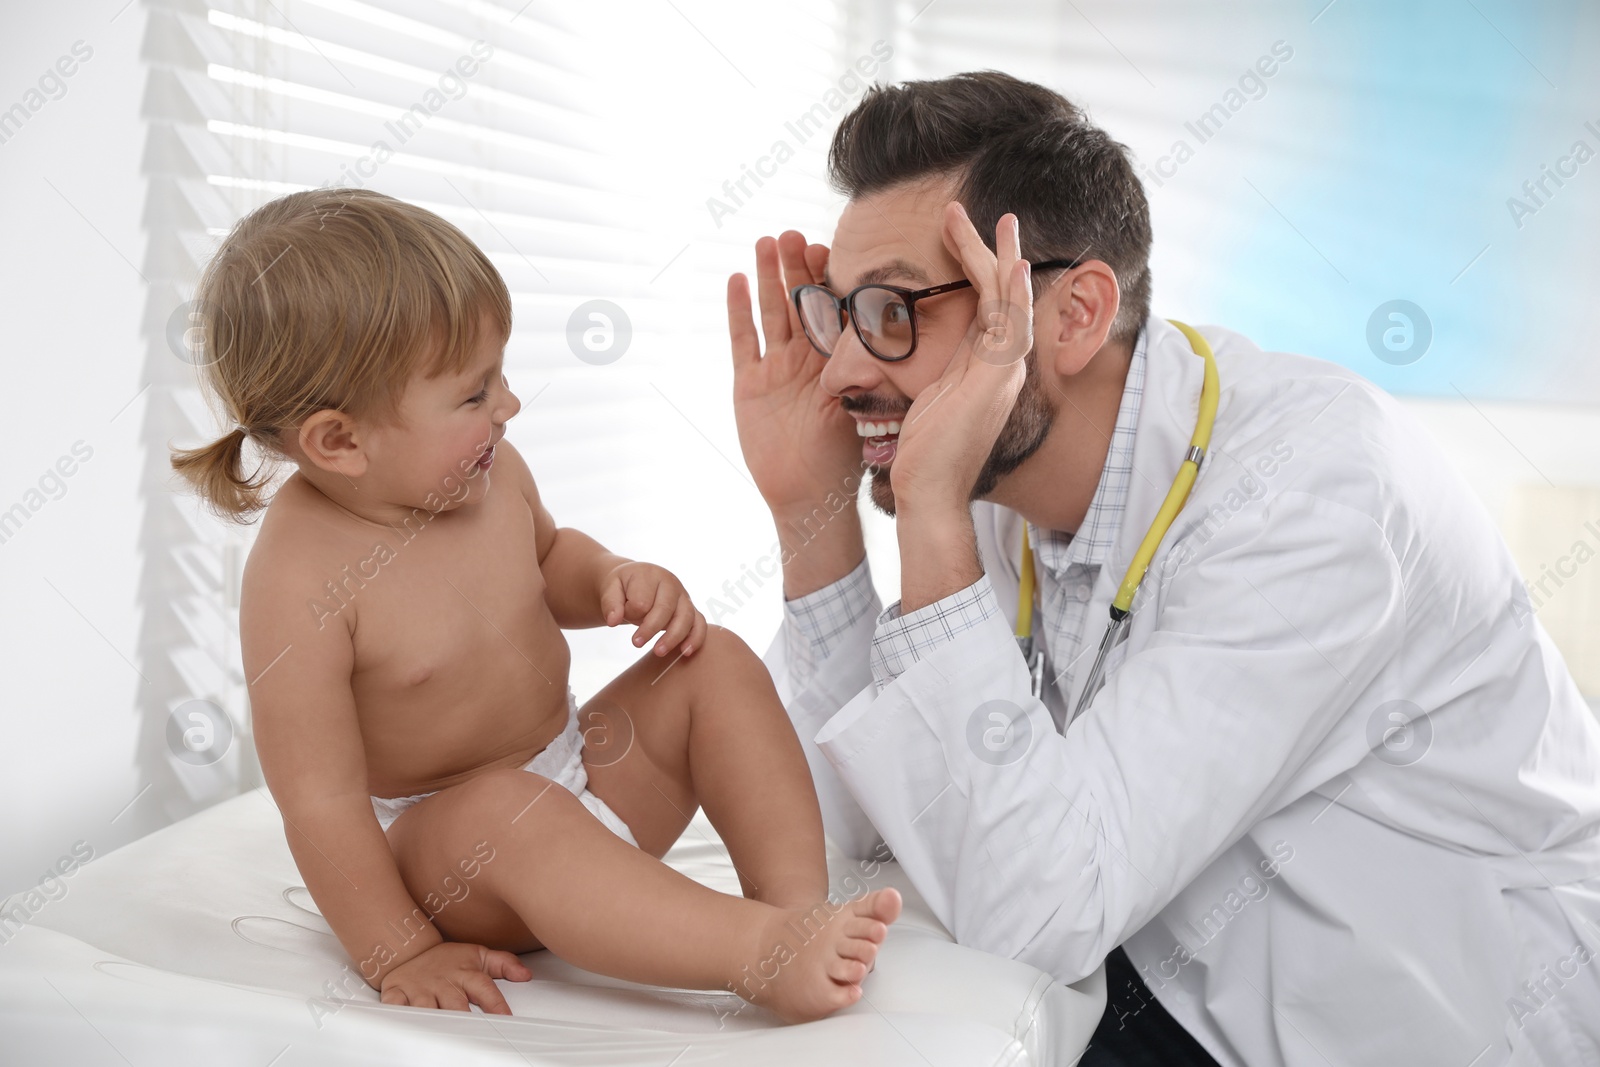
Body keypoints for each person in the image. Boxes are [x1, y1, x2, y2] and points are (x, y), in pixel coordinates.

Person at [726, 71, 1600, 1065]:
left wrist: (926, 513)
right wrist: (813, 516)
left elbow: (1039, 911)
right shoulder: (1009, 476)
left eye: (891, 309)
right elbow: (859, 826)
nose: (841, 370)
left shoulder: (1311, 493)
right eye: (835, 313)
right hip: (1179, 965)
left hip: (1423, 1019)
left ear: (1073, 312)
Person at [169, 187, 900, 1023]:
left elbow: (549, 557)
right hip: (455, 854)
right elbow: (319, 801)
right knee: (502, 810)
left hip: (580, 771)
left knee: (716, 660)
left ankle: (793, 909)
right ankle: (751, 954)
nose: (508, 407)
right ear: (340, 441)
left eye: (501, 377)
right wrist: (399, 951)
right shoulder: (297, 580)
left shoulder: (488, 477)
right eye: (474, 395)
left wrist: (614, 578)